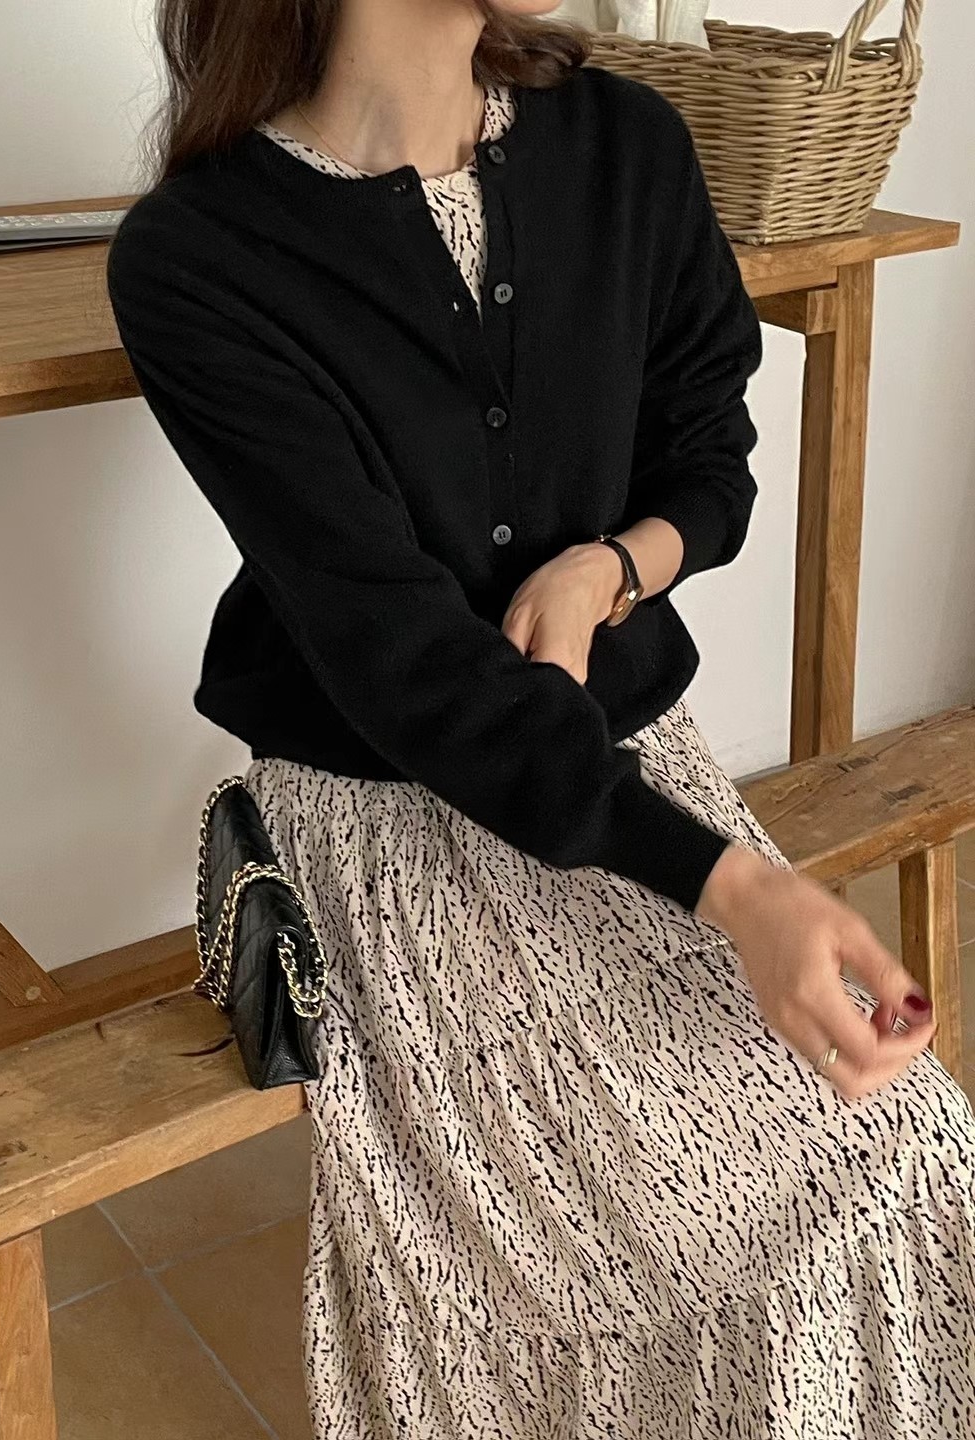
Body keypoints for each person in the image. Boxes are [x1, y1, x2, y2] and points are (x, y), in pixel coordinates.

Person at [105, 1, 975, 1433]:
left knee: (901, 1148)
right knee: (668, 1234)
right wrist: (740, 889)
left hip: (634, 772)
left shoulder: (626, 146)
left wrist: (611, 567)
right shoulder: (198, 258)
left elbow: (710, 454)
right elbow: (409, 670)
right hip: (388, 809)